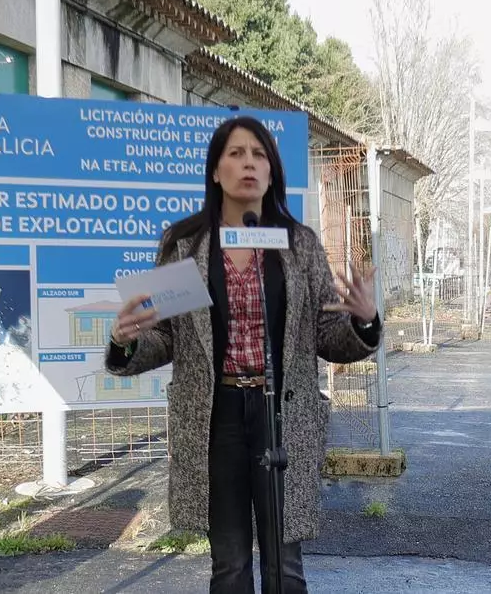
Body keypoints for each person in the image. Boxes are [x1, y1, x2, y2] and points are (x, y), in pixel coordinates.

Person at [103, 116, 382, 594]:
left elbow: (324, 336)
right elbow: (168, 338)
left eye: (258, 154)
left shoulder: (299, 245)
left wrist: (363, 321)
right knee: (229, 565)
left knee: (285, 565)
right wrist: (126, 340)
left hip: (283, 414)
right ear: (215, 171)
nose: (248, 163)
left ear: (272, 172)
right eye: (235, 154)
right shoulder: (185, 245)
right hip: (217, 416)